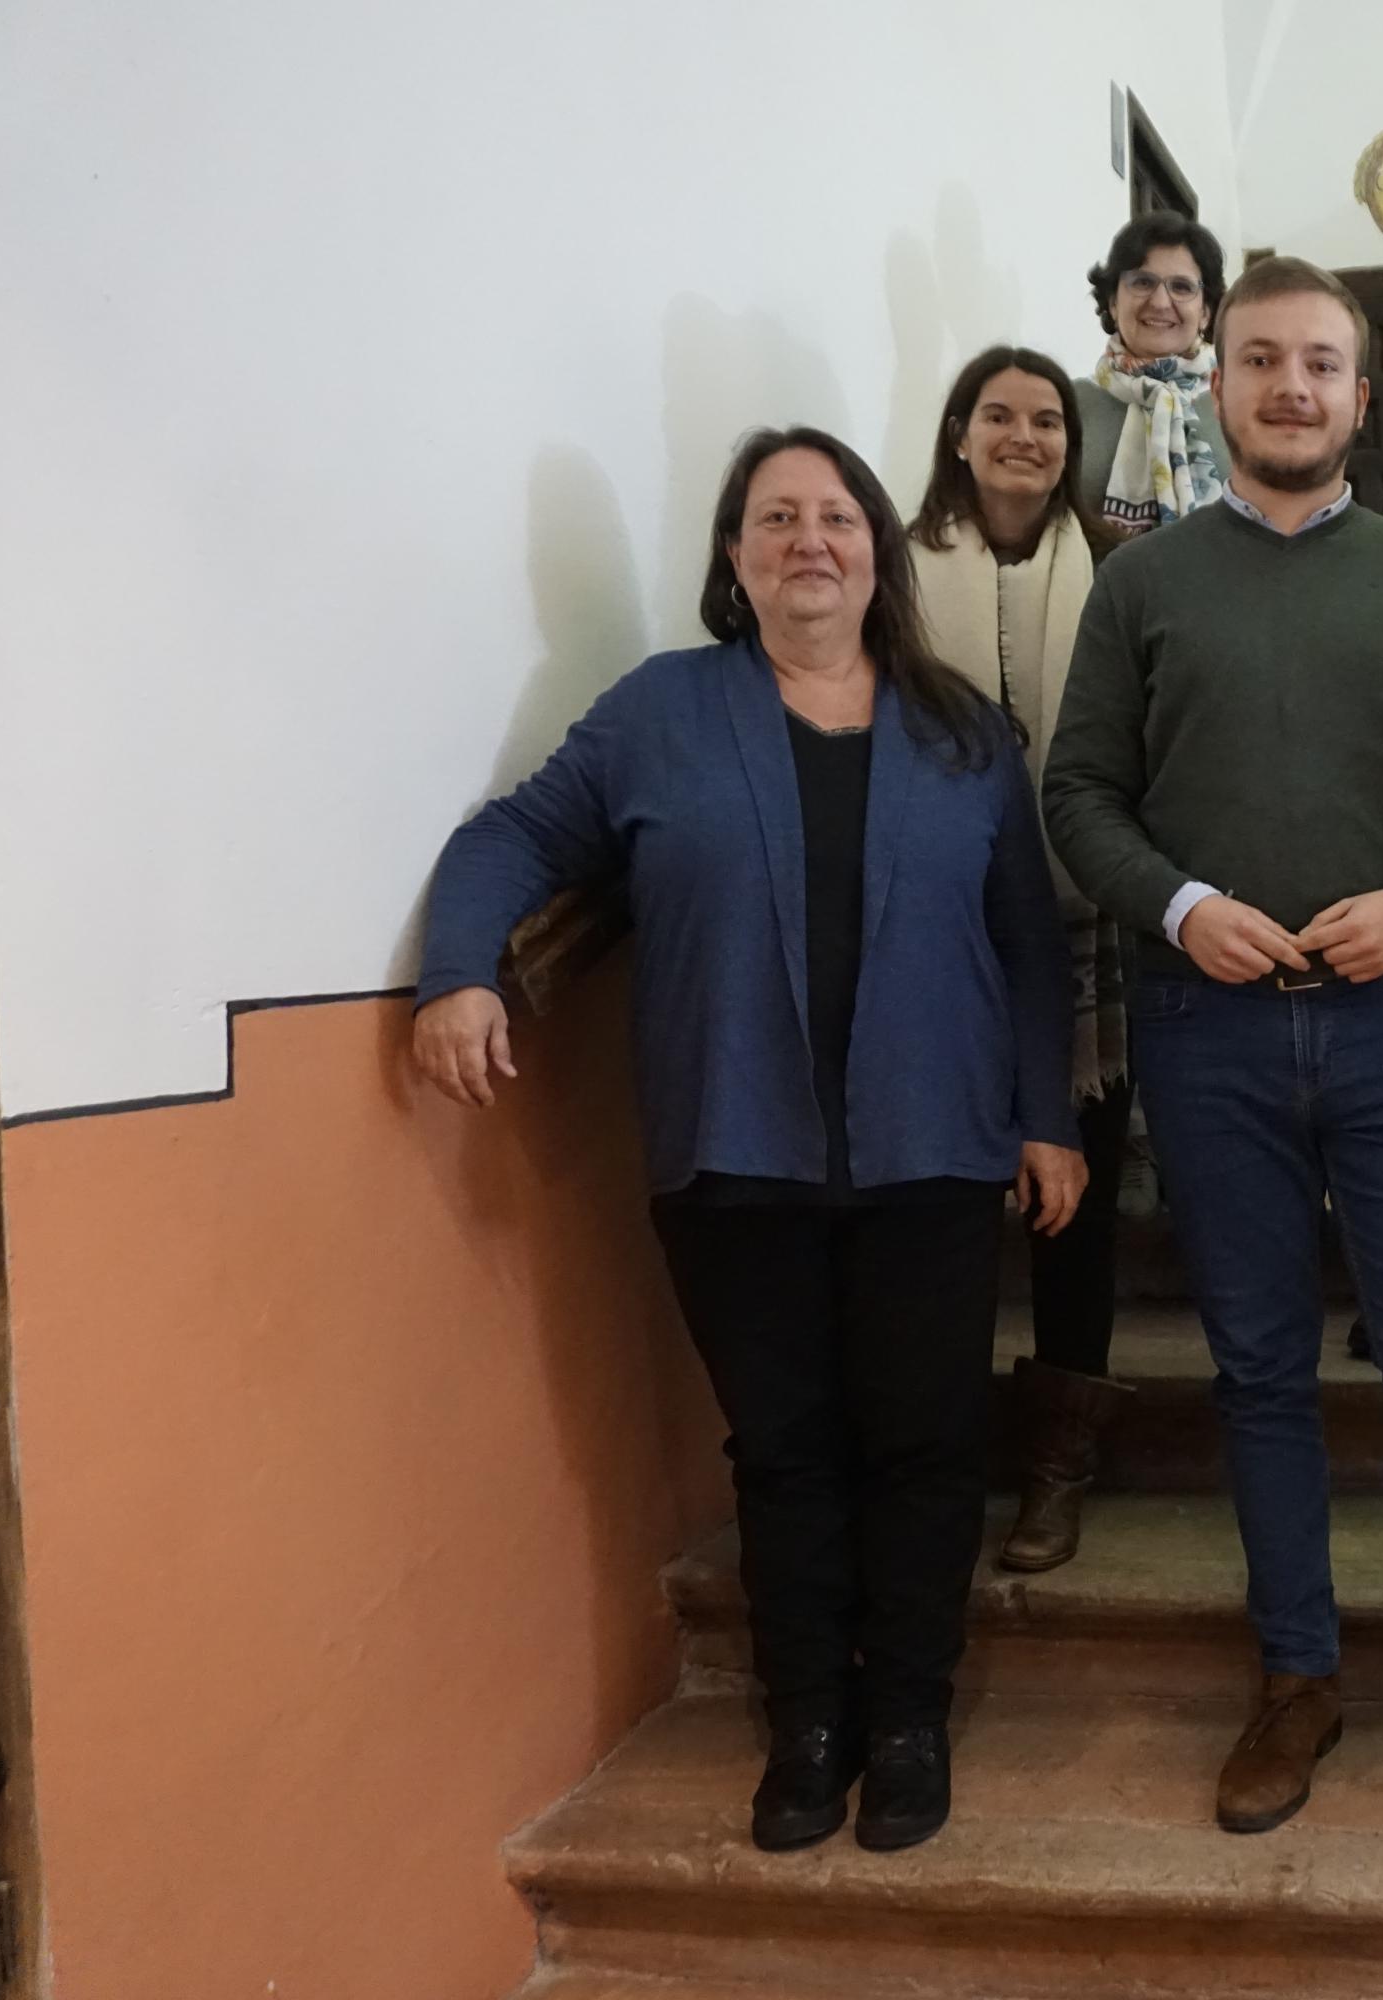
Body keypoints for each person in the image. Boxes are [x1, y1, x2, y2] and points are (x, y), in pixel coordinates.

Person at [413, 427, 1086, 1856]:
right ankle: (810, 1724)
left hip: (934, 1153)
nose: (809, 542)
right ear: (733, 555)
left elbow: (1031, 942)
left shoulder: (962, 733)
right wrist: (460, 969)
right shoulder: (660, 713)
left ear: (877, 551)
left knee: (923, 1444)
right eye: (775, 518)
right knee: (783, 1454)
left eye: (836, 517)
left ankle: (905, 1717)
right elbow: (509, 841)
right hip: (736, 1157)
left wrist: (1045, 1118)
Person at [1042, 255, 1383, 1847]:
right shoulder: (1142, 584)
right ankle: (1298, 1677)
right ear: (1220, 381)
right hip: (1209, 1033)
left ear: (1357, 392)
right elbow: (1078, 796)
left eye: (1319, 365)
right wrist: (1178, 905)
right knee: (1261, 1371)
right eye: (1259, 360)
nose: (1289, 388)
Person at [911, 345, 1137, 1575]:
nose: (1025, 437)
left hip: (1085, 924)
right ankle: (942, 1454)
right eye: (998, 415)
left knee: (1078, 1203)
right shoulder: (892, 568)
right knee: (943, 1200)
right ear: (958, 432)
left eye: (1048, 419)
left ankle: (1059, 1462)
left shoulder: (1108, 567)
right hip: (929, 930)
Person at [1076, 211, 1232, 537]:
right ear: (1113, 302)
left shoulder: (1237, 403)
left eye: (1181, 287)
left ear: (1205, 311)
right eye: (1143, 282)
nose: (1161, 302)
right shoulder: (1068, 403)